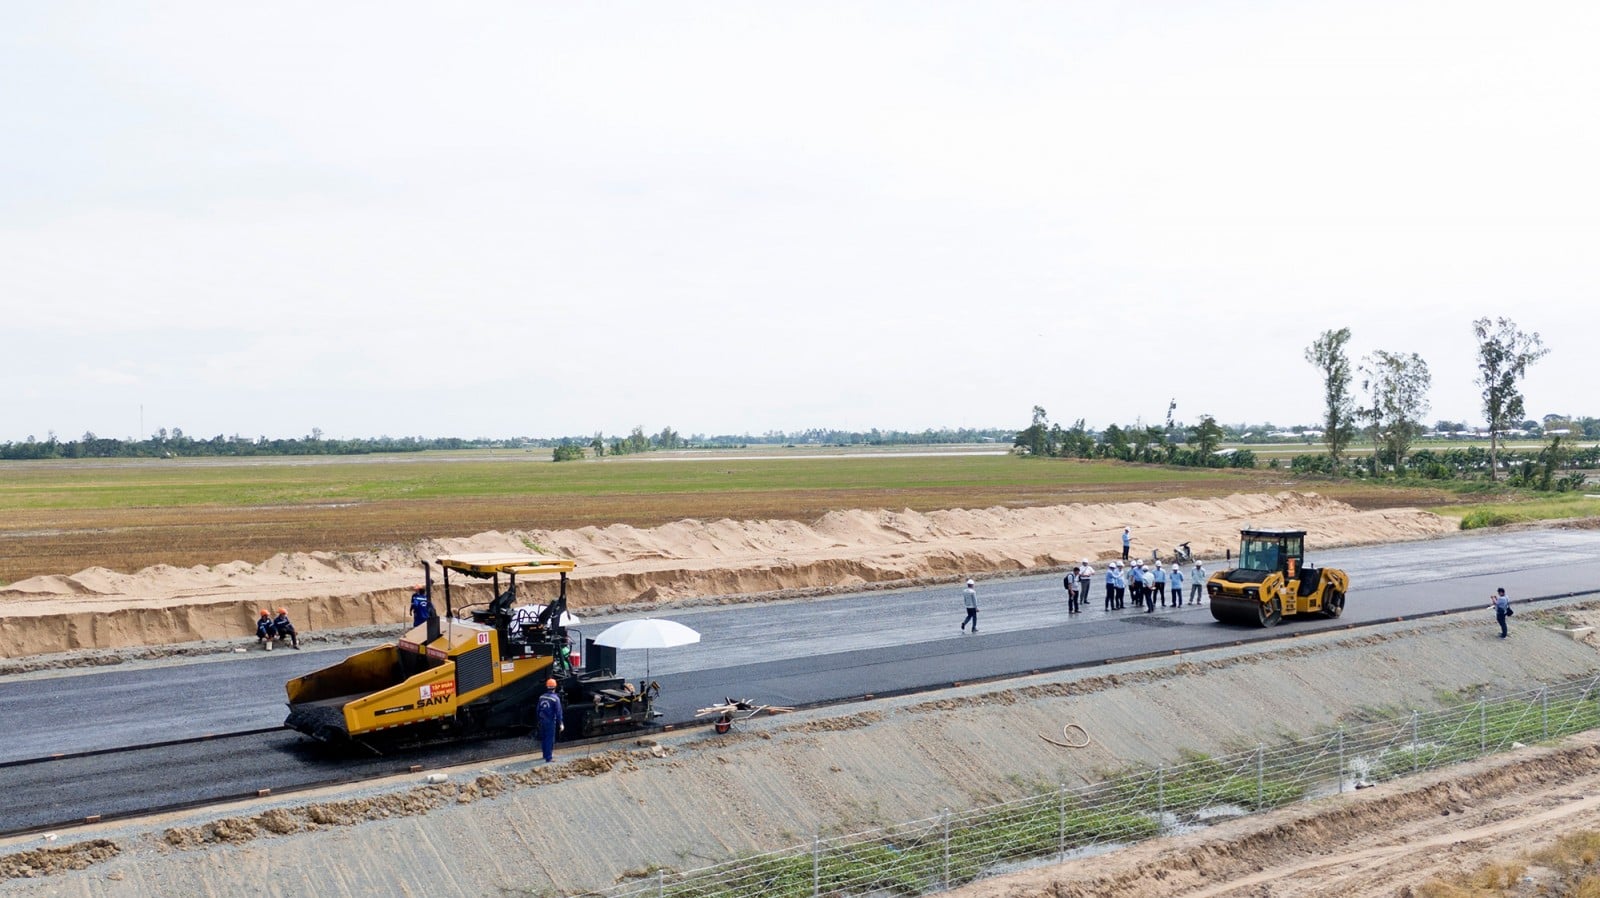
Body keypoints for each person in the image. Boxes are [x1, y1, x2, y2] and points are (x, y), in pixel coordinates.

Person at [536, 678, 565, 763]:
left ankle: (544, 755)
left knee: (544, 738)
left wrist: (538, 719)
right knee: (549, 739)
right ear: (555, 687)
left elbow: (538, 709)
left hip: (542, 720)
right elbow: (558, 712)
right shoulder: (555, 699)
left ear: (547, 686)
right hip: (550, 721)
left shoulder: (542, 697)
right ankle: (548, 758)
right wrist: (561, 723)